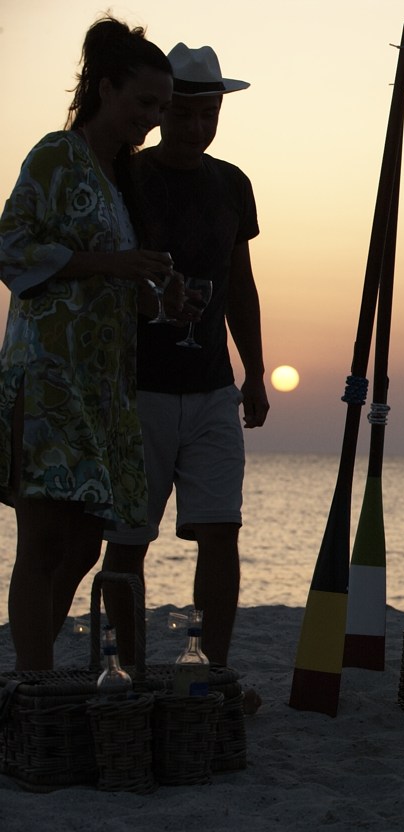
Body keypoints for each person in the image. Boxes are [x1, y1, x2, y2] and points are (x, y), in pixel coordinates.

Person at [0, 18, 179, 670]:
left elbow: (116, 274)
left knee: (82, 547)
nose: (155, 119)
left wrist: (158, 292)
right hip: (49, 378)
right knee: (44, 540)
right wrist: (112, 265)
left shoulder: (116, 176)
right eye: (144, 103)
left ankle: (33, 672)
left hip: (99, 388)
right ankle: (33, 682)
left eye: (163, 107)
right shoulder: (57, 155)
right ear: (106, 88)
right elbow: (12, 247)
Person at [102, 43, 269, 667]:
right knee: (129, 537)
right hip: (138, 388)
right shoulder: (129, 179)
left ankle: (213, 673)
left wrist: (254, 371)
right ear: (163, 110)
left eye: (210, 114)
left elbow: (241, 283)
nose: (198, 127)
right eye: (186, 114)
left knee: (221, 530)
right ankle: (129, 668)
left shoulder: (232, 184)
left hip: (211, 388)